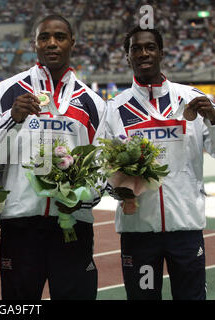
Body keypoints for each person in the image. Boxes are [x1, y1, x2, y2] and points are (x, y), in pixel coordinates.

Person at [0, 14, 107, 300]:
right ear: (35, 44)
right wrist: (11, 120)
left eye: (60, 37)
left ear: (72, 43)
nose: (51, 43)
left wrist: (79, 196)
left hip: (73, 224)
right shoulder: (6, 92)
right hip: (21, 224)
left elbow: (101, 166)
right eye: (44, 37)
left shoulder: (92, 102)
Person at [105, 25, 215, 300]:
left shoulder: (194, 99)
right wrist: (116, 189)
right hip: (139, 229)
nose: (143, 53)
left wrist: (214, 121)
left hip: (186, 228)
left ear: (162, 53)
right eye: (136, 49)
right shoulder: (115, 108)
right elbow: (101, 166)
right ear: (127, 56)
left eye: (150, 47)